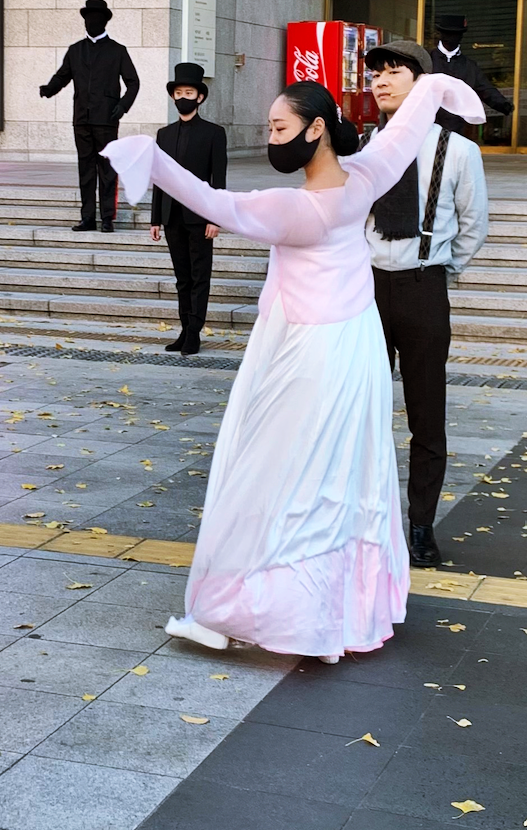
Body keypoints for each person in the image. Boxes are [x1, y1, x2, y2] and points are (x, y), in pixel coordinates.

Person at [105, 70, 484, 660]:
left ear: (316, 128)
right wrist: (433, 88)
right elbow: (404, 134)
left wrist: (151, 158)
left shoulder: (297, 209)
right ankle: (333, 615)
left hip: (308, 354)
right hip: (354, 344)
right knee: (339, 477)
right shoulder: (363, 178)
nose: (271, 138)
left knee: (280, 473)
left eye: (279, 128)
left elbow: (213, 201)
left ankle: (268, 612)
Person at [362, 38, 489, 569]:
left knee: (426, 415)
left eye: (394, 72)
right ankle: (365, 519)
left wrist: (437, 270)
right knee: (360, 410)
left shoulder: (457, 150)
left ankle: (420, 524)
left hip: (423, 288)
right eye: (376, 74)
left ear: (423, 83)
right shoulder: (363, 147)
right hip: (366, 289)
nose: (381, 81)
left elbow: (473, 226)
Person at [39, 0, 139, 232]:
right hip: (82, 120)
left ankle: (107, 218)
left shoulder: (117, 51)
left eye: (96, 18)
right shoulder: (75, 50)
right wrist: (49, 89)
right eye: (88, 18)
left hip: (107, 119)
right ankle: (87, 218)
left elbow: (133, 82)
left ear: (105, 21)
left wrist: (122, 106)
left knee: (107, 170)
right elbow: (63, 76)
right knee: (85, 170)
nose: (91, 22)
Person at [149, 62, 226, 356]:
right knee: (182, 277)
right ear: (173, 96)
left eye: (189, 93)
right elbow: (159, 177)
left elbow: (219, 180)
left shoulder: (214, 133)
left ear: (200, 97)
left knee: (199, 276)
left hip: (200, 216)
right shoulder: (164, 135)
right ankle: (184, 329)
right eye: (179, 93)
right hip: (172, 216)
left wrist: (215, 217)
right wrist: (155, 218)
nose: (183, 97)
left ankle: (194, 332)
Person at [428, 12, 513, 138]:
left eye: (456, 34)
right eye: (448, 33)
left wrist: (504, 105)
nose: (452, 37)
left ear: (461, 36)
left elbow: (485, 89)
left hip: (457, 130)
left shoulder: (469, 66)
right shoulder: (426, 60)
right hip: (428, 127)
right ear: (441, 34)